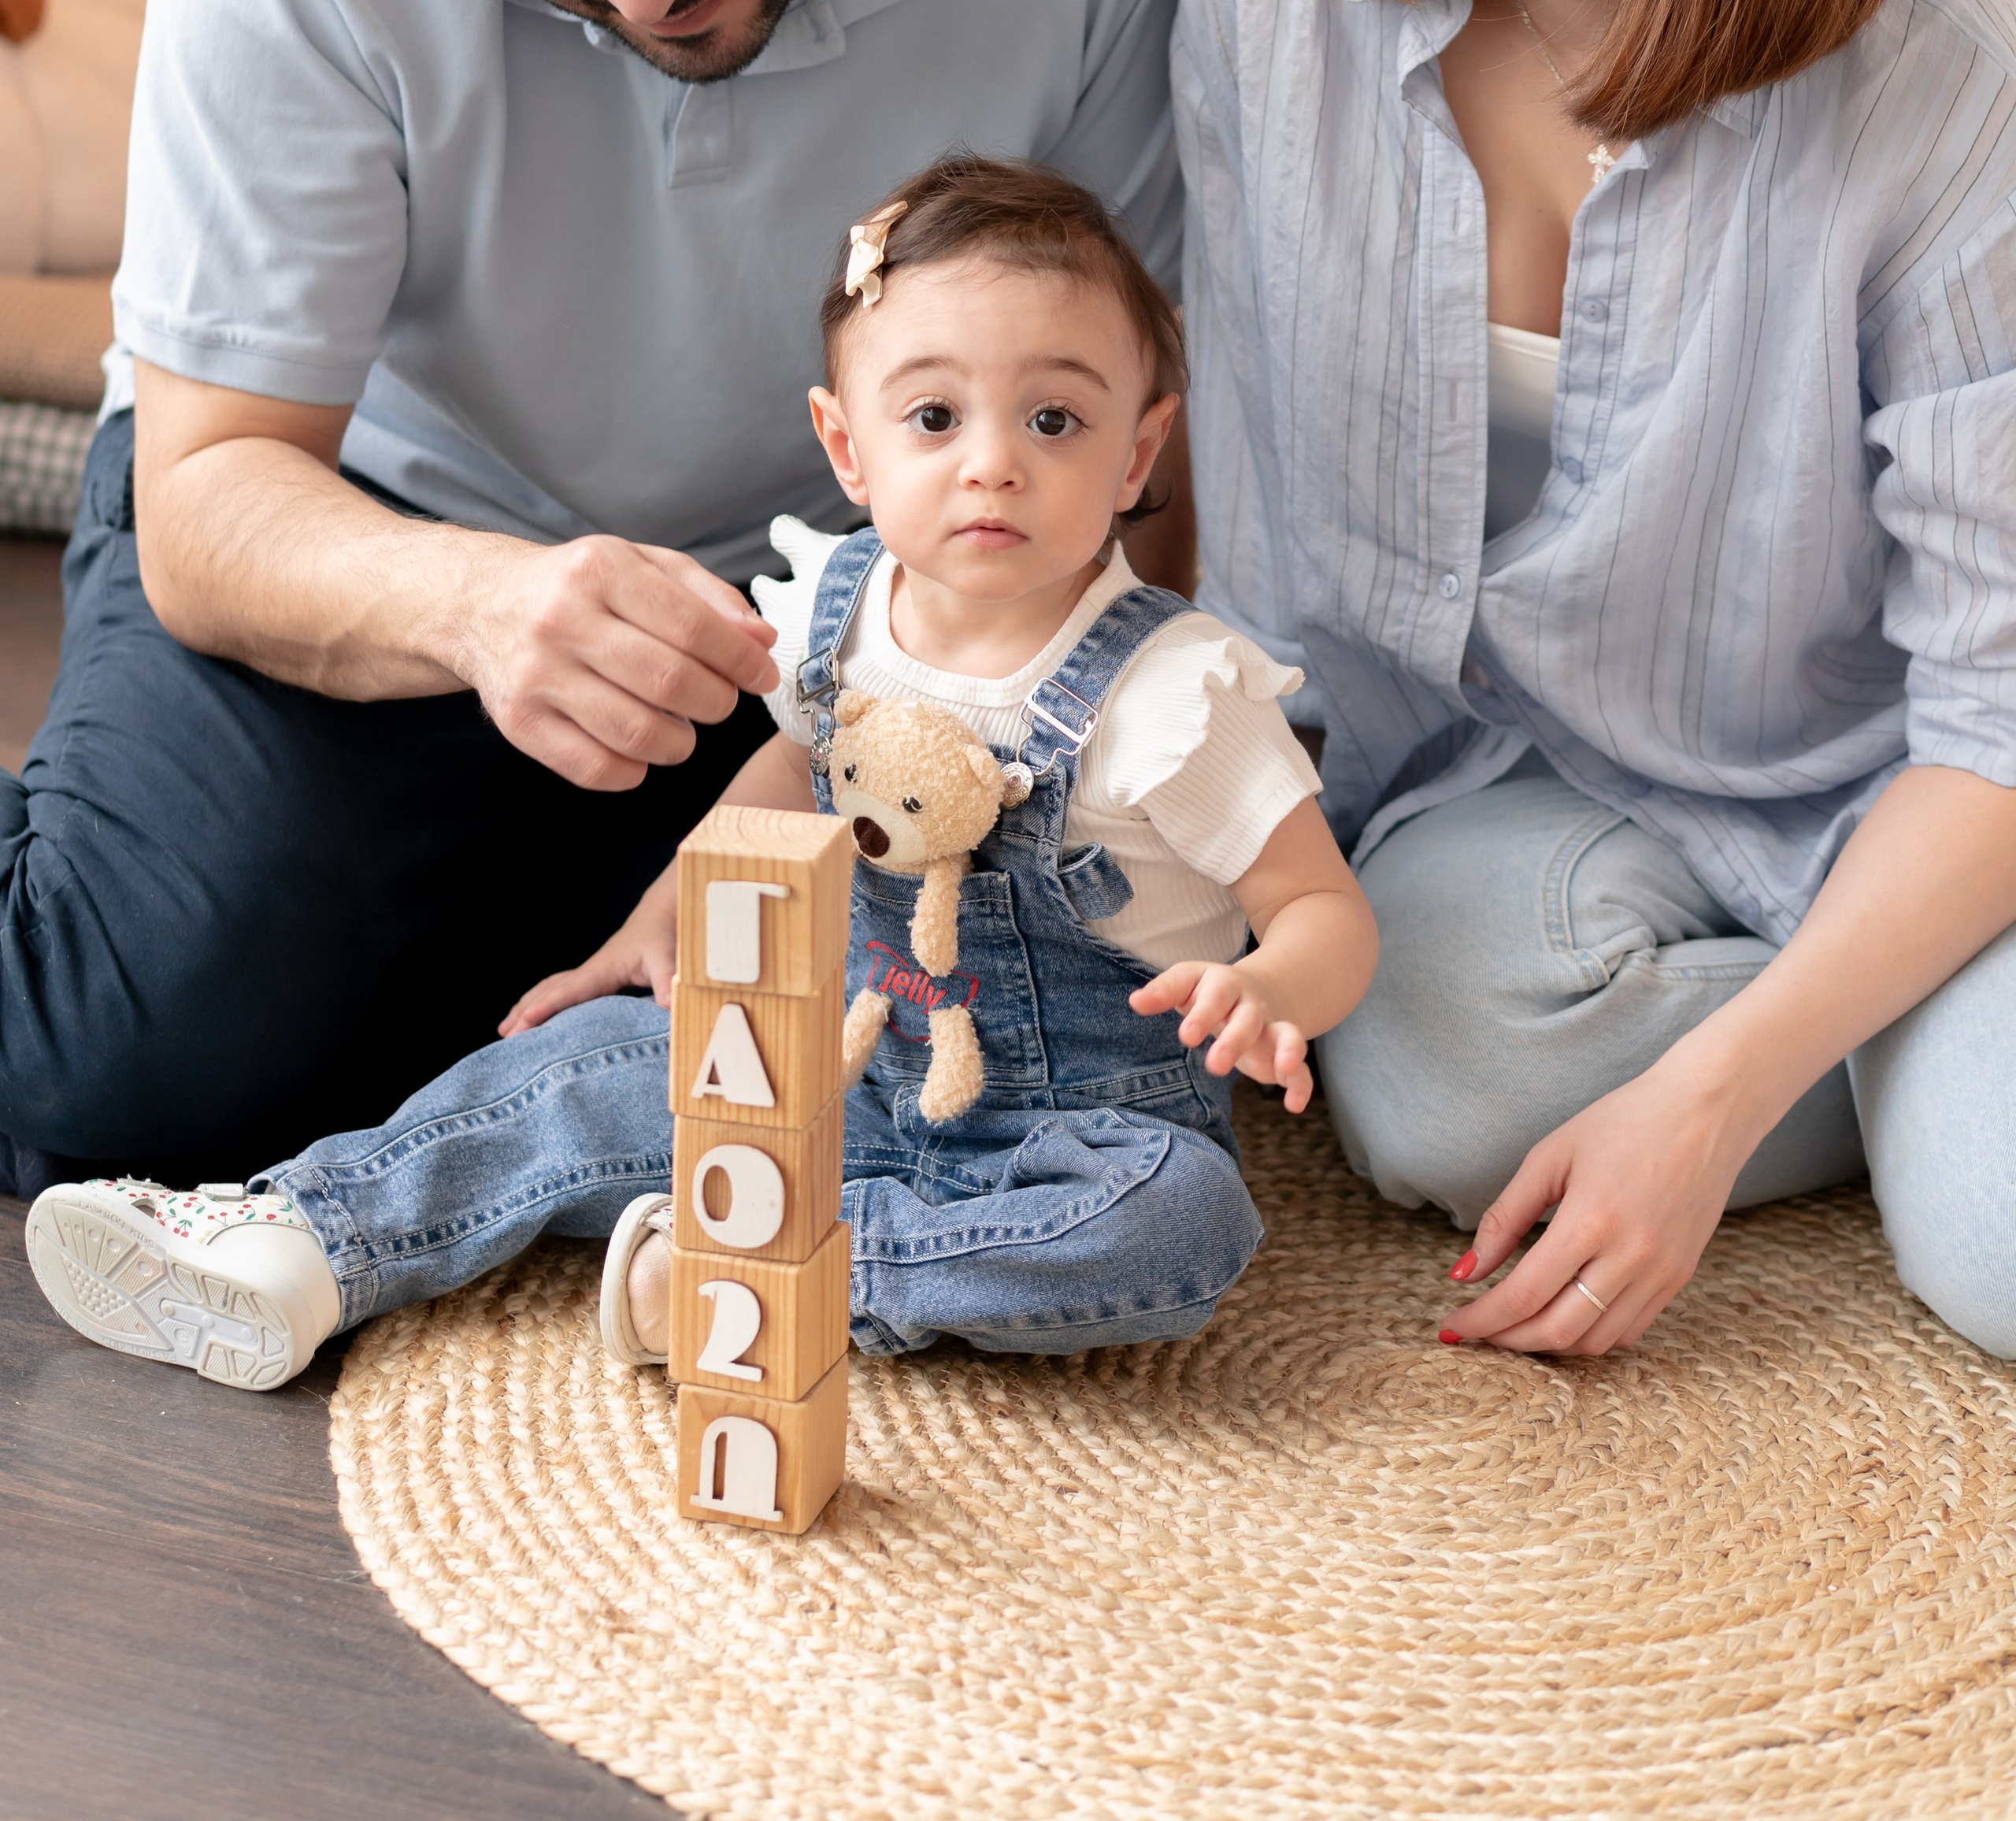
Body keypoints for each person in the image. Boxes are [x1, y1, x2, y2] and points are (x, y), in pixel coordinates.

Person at [0, 0, 1205, 1192]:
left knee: (966, 1060)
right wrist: (485, 605)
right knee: (115, 1080)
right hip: (381, 540)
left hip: (863, 604)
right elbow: (208, 497)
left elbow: (1138, 455)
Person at [1177, 0, 2016, 1364]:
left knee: (1997, 1252)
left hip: (1882, 778)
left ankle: (1889, 1009)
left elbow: (1988, 706)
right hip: (1501, 792)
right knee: (1432, 1084)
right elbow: (1187, 429)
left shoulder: (1929, 72)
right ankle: (1886, 1027)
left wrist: (1700, 1100)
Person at [22, 159, 1377, 1384]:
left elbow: (1326, 911)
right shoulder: (840, 611)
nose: (993, 464)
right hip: (835, 1065)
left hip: (1074, 1129)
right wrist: (662, 916)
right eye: (933, 414)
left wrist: (1269, 990)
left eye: (1056, 420)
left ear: (1139, 449)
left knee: (1182, 1221)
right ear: (846, 445)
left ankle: (765, 1274)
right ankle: (305, 1237)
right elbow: (792, 763)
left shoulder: (1176, 693)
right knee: (574, 1071)